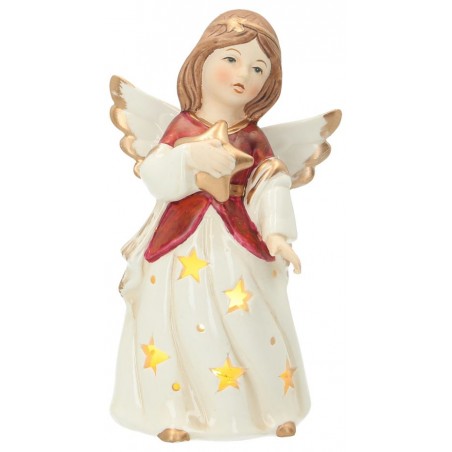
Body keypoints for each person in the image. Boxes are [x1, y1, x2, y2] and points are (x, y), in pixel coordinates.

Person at [110, 9, 311, 442]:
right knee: (176, 318)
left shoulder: (253, 137)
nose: (243, 75)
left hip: (238, 239)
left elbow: (272, 182)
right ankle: (173, 409)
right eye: (232, 59)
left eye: (258, 68)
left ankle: (272, 407)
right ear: (202, 60)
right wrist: (188, 157)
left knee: (252, 318)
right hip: (180, 239)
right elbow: (155, 175)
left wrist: (277, 234)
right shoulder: (182, 127)